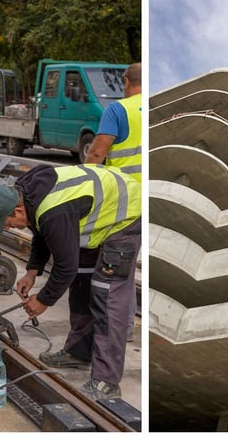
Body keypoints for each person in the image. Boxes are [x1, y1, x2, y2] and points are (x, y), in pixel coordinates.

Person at [0, 163, 141, 401]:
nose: (8, 228)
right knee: (81, 286)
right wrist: (32, 270)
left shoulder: (54, 211)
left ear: (17, 210)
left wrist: (43, 300)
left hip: (125, 217)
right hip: (96, 218)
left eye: (6, 223)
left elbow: (65, 267)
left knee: (107, 298)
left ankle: (107, 381)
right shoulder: (25, 191)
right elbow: (41, 231)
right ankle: (79, 353)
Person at [84, 63, 142, 342]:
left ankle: (120, 327)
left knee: (117, 270)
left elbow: (96, 153)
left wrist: (82, 185)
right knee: (128, 267)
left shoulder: (119, 110)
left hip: (126, 201)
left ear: (127, 81)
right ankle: (126, 325)